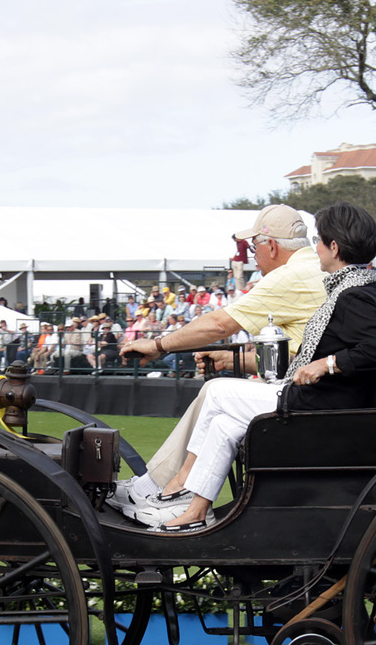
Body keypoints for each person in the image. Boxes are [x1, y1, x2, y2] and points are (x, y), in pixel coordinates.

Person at [148, 203, 376, 531]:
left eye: (320, 241)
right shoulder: (354, 287)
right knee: (223, 425)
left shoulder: (355, 294)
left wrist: (326, 364)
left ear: (334, 248)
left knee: (217, 392)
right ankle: (195, 511)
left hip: (320, 403)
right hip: (320, 397)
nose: (315, 247)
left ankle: (178, 486)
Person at [113, 204, 328, 512]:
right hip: (313, 387)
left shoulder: (290, 275)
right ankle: (170, 492)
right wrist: (231, 362)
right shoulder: (311, 268)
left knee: (215, 391)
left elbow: (220, 324)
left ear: (272, 246)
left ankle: (163, 488)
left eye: (254, 246)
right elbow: (298, 358)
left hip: (310, 396)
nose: (253, 254)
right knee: (220, 406)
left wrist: (159, 345)